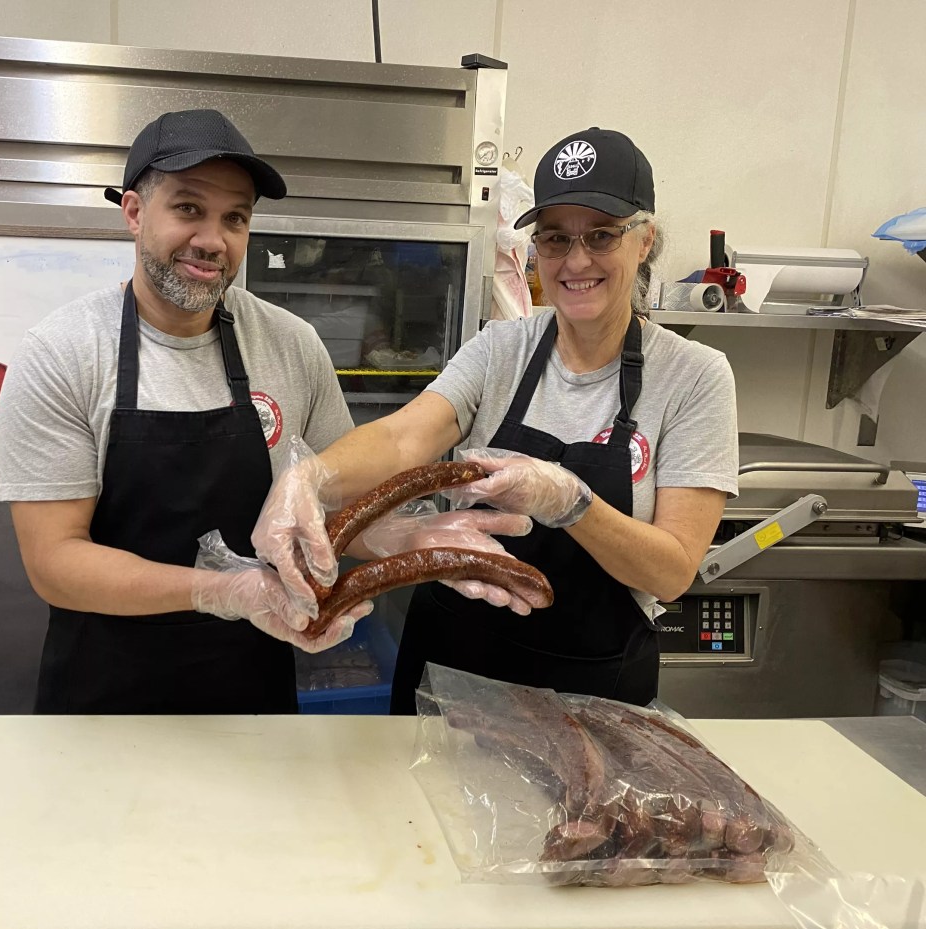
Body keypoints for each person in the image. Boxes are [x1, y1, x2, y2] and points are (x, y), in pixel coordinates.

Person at [252, 127, 739, 712]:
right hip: (454, 672)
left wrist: (570, 502)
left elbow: (672, 571)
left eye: (602, 235)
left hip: (591, 690)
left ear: (645, 240)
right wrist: (307, 479)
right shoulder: (499, 349)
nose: (576, 260)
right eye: (556, 238)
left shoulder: (694, 376)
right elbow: (404, 435)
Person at [0, 109, 366, 715]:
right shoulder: (62, 351)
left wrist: (414, 532)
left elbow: (343, 498)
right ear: (136, 213)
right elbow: (55, 562)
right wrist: (226, 591)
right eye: (189, 209)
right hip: (105, 697)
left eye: (235, 218)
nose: (212, 241)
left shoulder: (291, 345)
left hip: (253, 687)